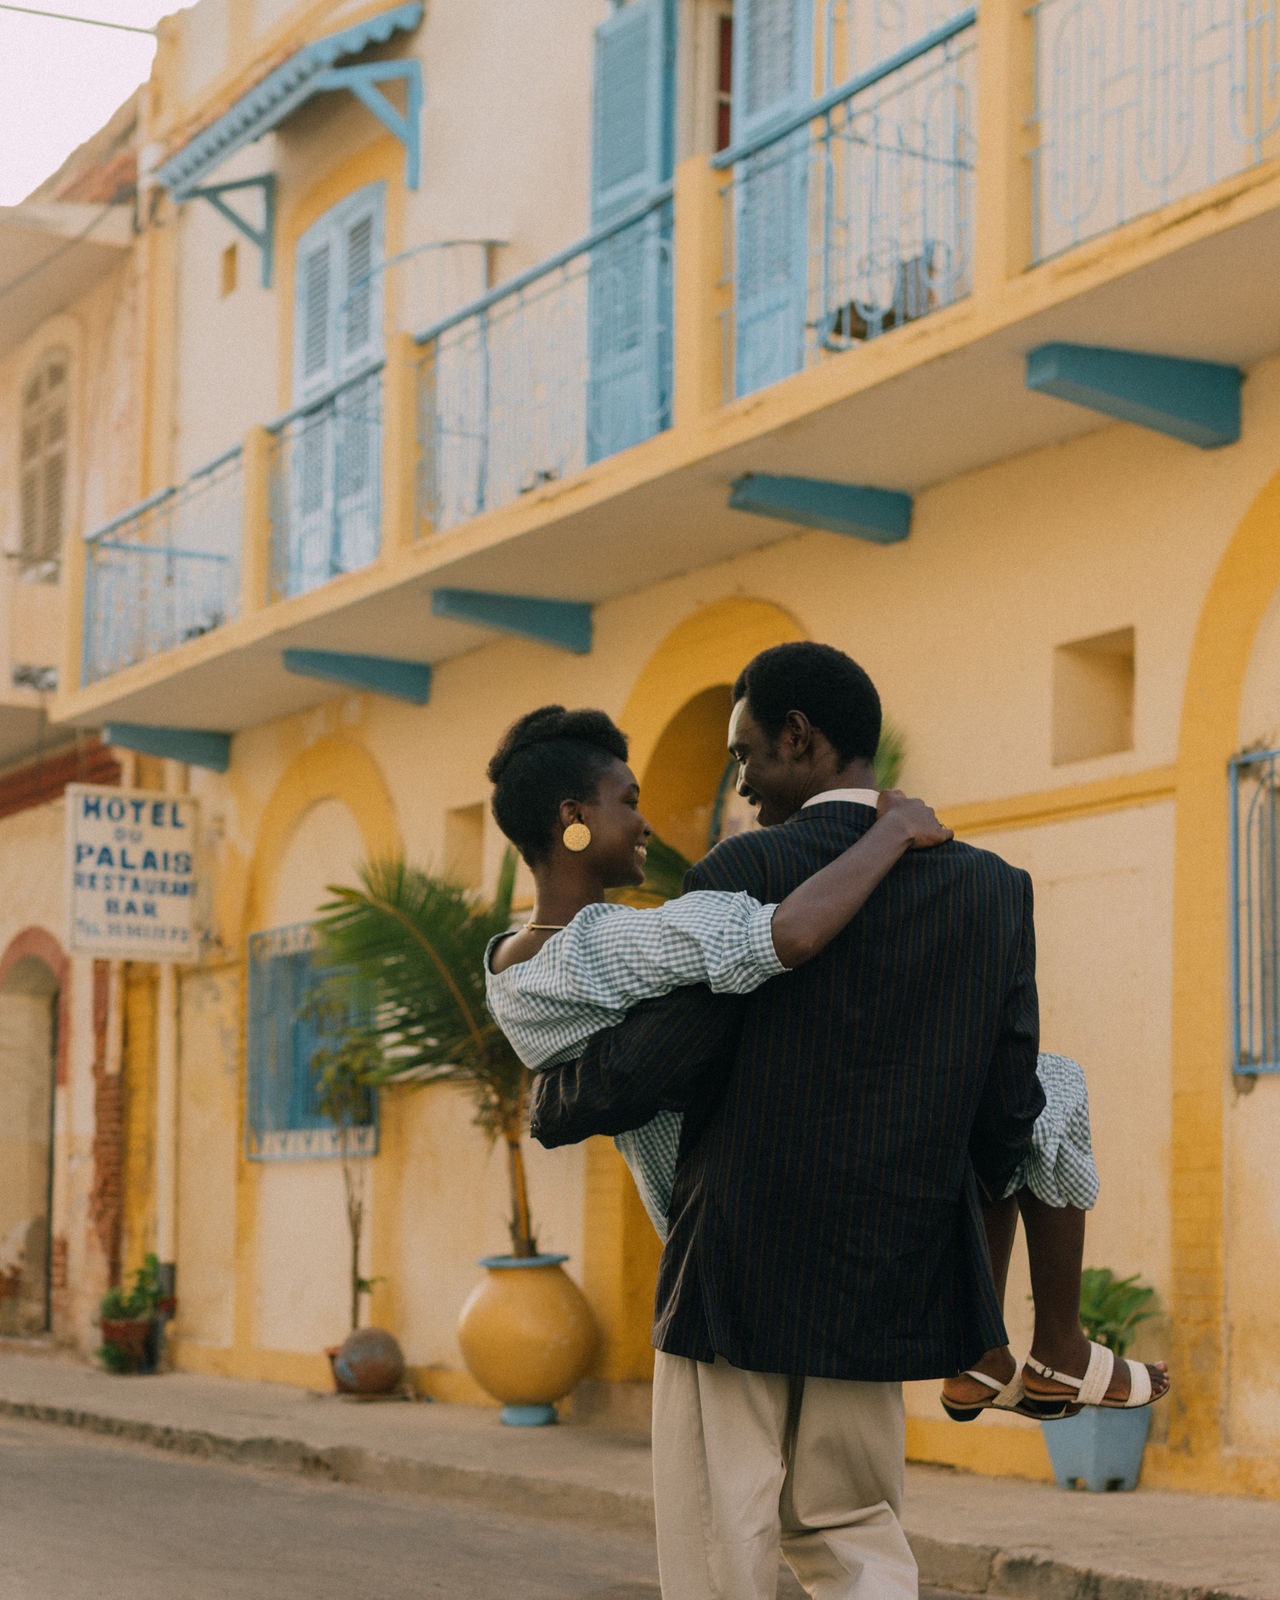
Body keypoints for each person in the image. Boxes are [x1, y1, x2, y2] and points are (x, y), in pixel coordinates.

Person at [512, 645, 1163, 1600]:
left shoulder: (748, 865)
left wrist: (559, 1100)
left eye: (744, 757)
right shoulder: (992, 889)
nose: (740, 785)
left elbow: (679, 1050)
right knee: (856, 1526)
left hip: (736, 1258)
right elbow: (1005, 1113)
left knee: (716, 1531)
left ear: (799, 739)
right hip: (883, 1265)